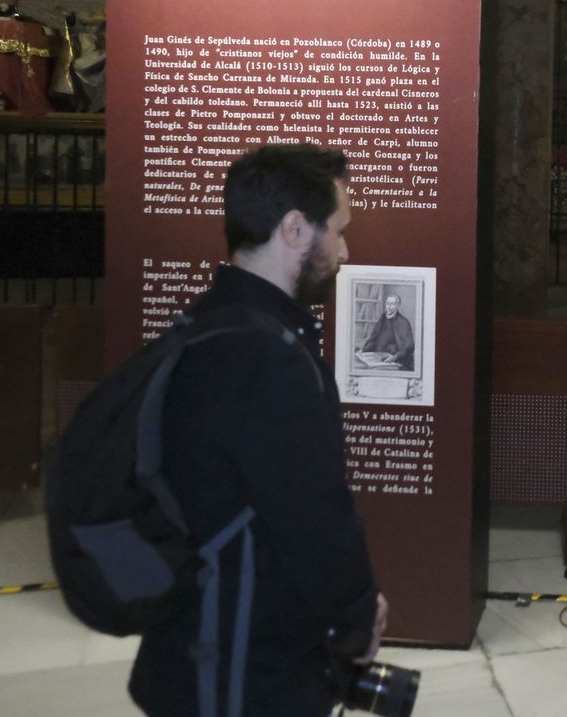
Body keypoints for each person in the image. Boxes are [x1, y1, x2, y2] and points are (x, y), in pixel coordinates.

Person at [129, 144, 388, 717]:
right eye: (339, 231)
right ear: (296, 229)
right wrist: (359, 613)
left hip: (190, 644)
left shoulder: (206, 324)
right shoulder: (268, 359)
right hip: (245, 668)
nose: (345, 252)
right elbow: (315, 516)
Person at [361, 294, 415, 369]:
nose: (389, 306)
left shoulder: (403, 322)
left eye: (392, 304)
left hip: (394, 361)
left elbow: (409, 346)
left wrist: (395, 357)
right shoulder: (382, 320)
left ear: (398, 306)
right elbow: (373, 338)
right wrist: (363, 350)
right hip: (378, 358)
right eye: (387, 303)